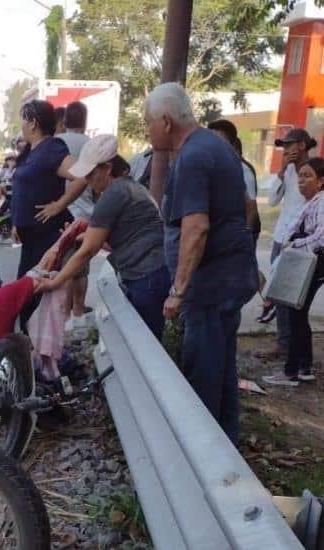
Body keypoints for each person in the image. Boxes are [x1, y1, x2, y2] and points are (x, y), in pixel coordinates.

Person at [144, 82, 258, 444]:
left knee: (204, 372)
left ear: (165, 121)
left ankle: (202, 452)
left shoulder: (193, 157)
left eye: (148, 123)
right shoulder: (215, 146)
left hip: (210, 287)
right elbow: (242, 205)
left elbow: (196, 228)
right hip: (229, 278)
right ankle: (227, 445)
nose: (147, 132)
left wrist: (178, 290)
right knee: (222, 368)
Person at [37, 135, 170, 339]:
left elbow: (88, 251)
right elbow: (123, 239)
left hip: (146, 276)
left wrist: (56, 282)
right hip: (152, 272)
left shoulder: (113, 194)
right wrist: (83, 236)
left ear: (107, 168)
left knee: (144, 341)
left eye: (91, 175)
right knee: (143, 340)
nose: (88, 182)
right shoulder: (130, 187)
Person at [10, 99, 89, 331]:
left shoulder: (52, 148)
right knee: (24, 293)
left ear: (33, 123)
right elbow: (23, 190)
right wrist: (16, 222)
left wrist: (58, 204)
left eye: (24, 119)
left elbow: (82, 176)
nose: (22, 124)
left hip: (46, 236)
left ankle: (37, 352)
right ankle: (27, 347)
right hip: (29, 238)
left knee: (34, 295)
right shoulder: (29, 150)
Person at [263, 157, 324, 386]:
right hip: (310, 262)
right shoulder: (312, 201)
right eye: (300, 175)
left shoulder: (321, 202)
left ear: (321, 181)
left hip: (313, 263)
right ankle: (304, 368)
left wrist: (293, 245)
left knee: (296, 314)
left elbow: (321, 236)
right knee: (299, 314)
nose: (301, 180)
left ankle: (290, 373)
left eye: (308, 176)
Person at [260, 128, 313, 355]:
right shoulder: (288, 171)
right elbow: (272, 201)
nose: (286, 149)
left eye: (290, 144)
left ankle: (296, 348)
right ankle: (283, 343)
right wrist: (281, 172)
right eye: (284, 145)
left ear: (302, 145)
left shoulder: (315, 170)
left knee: (295, 297)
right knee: (279, 293)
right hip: (281, 237)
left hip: (301, 242)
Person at [56, 101, 93, 329]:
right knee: (82, 267)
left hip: (64, 210)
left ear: (65, 120)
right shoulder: (91, 144)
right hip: (88, 212)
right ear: (85, 121)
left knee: (67, 266)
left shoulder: (58, 143)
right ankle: (79, 311)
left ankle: (66, 315)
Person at [207, 119, 261, 246]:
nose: (213, 145)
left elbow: (251, 207)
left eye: (219, 141)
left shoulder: (242, 169)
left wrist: (244, 237)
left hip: (240, 234)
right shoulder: (215, 165)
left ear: (231, 144)